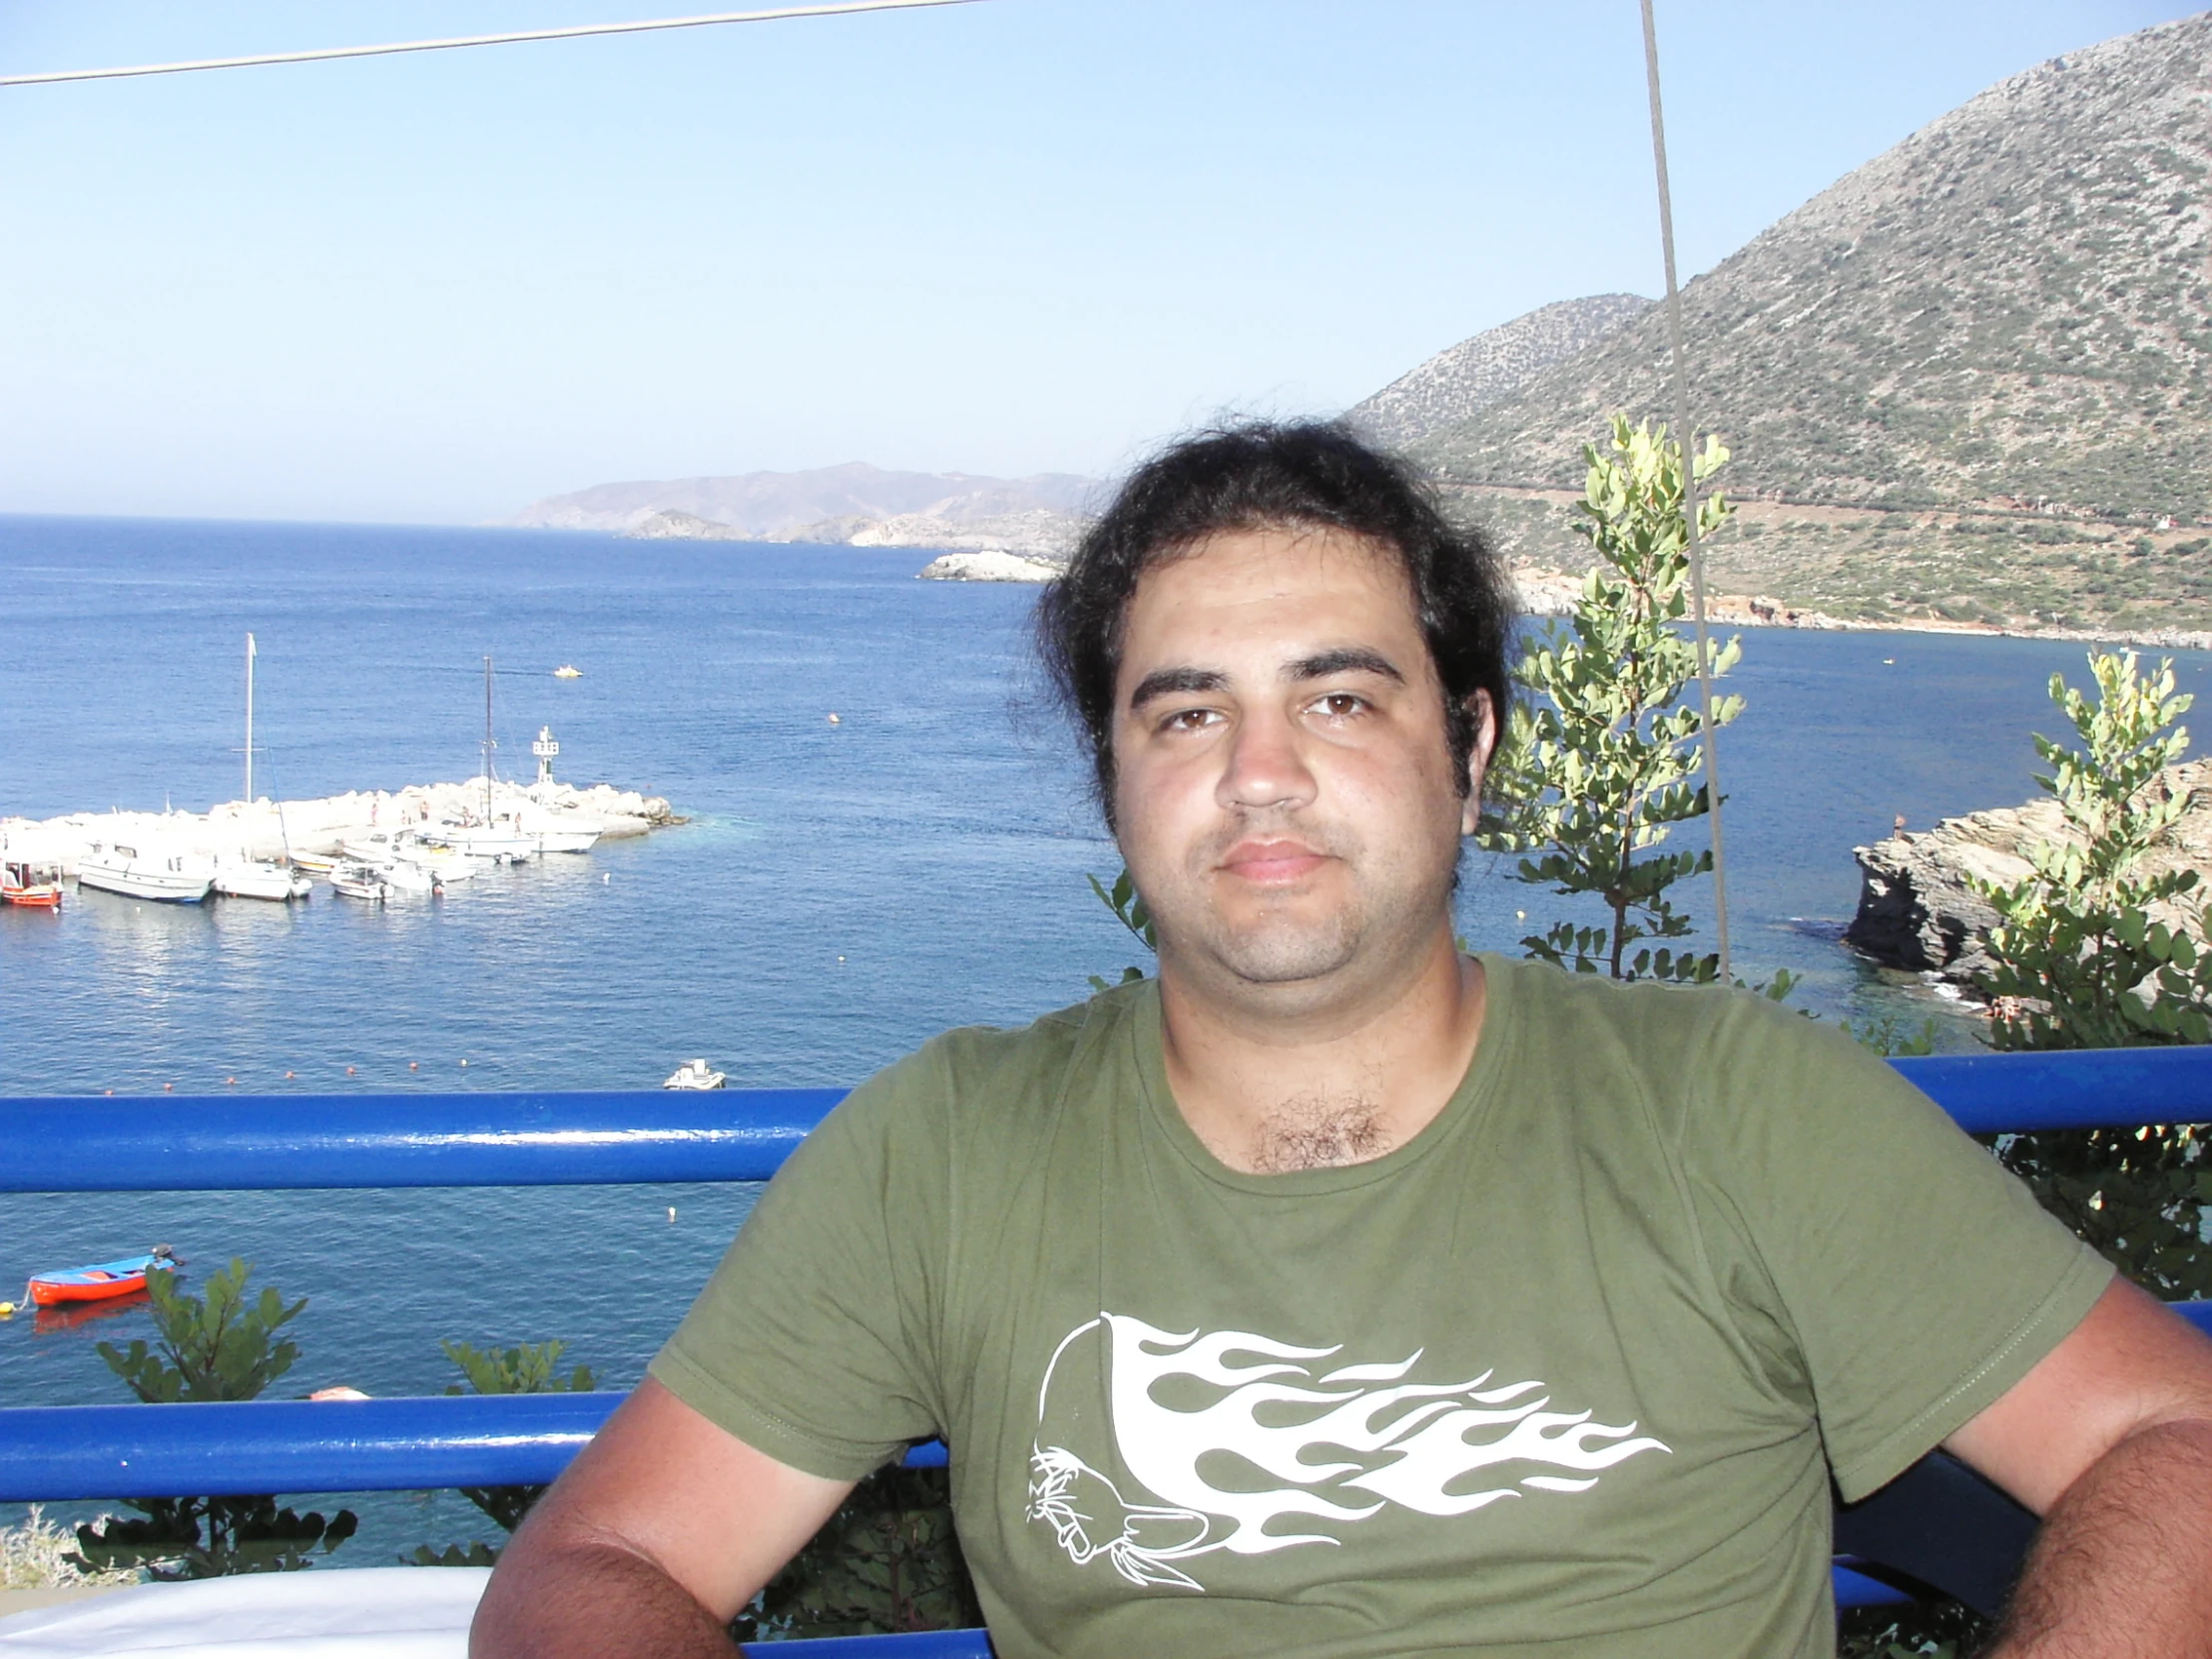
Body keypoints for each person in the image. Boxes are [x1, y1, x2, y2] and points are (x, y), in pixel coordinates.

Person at [475, 423, 2212, 1658]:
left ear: (1470, 748)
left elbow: (2171, 1442)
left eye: (1339, 695)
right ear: (1115, 781)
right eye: (1185, 710)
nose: (1260, 771)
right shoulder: (944, 1155)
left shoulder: (1734, 1109)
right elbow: (601, 1560)